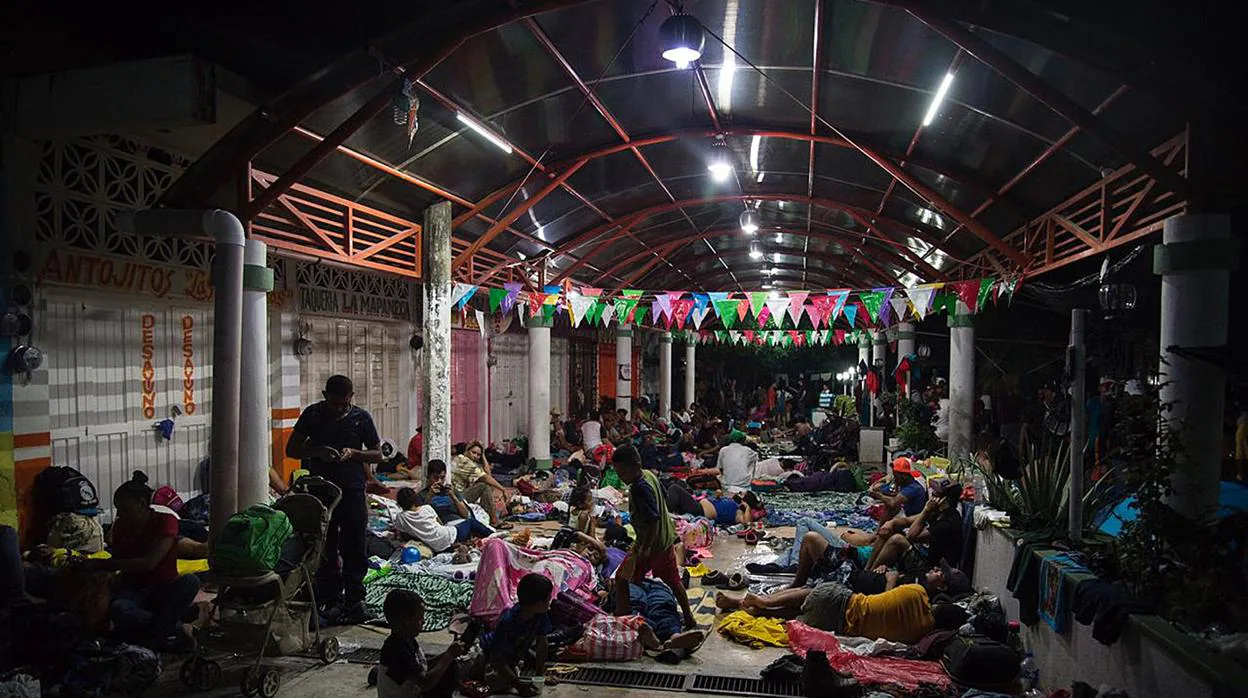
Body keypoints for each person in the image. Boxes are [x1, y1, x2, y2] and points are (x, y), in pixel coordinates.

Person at [286, 375, 383, 624]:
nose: (340, 408)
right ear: (324, 395)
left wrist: (354, 454)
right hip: (322, 491)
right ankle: (329, 598)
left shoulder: (361, 418)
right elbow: (292, 449)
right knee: (324, 545)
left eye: (344, 403)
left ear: (351, 398)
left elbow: (377, 454)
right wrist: (318, 451)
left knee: (354, 543)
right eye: (335, 403)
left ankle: (355, 599)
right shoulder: (313, 415)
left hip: (351, 490)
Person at [85, 473, 200, 652]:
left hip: (163, 587)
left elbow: (149, 563)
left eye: (124, 509)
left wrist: (101, 564)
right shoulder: (122, 526)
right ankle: (174, 628)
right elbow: (120, 561)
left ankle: (154, 636)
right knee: (120, 609)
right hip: (135, 589)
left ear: (141, 504)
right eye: (118, 509)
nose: (119, 514)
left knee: (191, 581)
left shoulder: (165, 521)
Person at [612, 445, 697, 629]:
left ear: (634, 465)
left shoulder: (639, 488)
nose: (620, 476)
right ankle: (689, 617)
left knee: (623, 579)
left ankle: (625, 620)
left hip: (650, 544)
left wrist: (645, 548)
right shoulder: (649, 475)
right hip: (664, 540)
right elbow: (663, 501)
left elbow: (653, 519)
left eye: (622, 471)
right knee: (673, 581)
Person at [715, 580, 945, 644]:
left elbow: (889, 595)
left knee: (809, 593)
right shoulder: (918, 634)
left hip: (842, 601)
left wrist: (890, 578)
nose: (935, 571)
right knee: (791, 615)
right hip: (835, 627)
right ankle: (757, 609)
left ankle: (761, 601)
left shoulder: (917, 592)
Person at [378, 589, 467, 698]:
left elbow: (421, 667)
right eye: (420, 618)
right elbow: (425, 684)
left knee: (450, 666)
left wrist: (448, 654)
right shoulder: (395, 650)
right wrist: (448, 655)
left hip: (413, 692)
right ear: (405, 622)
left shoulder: (407, 639)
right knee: (447, 666)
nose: (424, 621)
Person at [480, 573, 553, 698]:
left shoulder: (540, 615)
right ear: (538, 604)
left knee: (514, 671)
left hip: (511, 655)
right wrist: (519, 686)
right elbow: (496, 658)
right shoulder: (508, 621)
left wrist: (540, 676)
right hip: (486, 653)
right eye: (548, 599)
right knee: (500, 682)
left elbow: (542, 645)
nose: (550, 601)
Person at [395, 486, 493, 552]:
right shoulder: (426, 508)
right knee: (471, 522)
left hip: (437, 548)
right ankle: (492, 534)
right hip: (449, 535)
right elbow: (440, 524)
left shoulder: (401, 517)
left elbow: (402, 534)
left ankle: (461, 543)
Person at [451, 441, 510, 529]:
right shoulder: (463, 460)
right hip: (456, 497)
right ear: (467, 451)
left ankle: (490, 517)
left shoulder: (472, 463)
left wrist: (483, 456)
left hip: (461, 495)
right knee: (484, 486)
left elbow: (488, 474)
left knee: (487, 486)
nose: (475, 456)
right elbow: (485, 478)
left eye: (478, 455)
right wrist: (503, 489)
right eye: (473, 452)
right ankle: (493, 520)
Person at [665, 483, 760, 526]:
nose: (738, 493)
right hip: (697, 507)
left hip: (699, 511)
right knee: (679, 485)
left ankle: (664, 513)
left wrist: (747, 507)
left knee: (675, 488)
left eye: (741, 494)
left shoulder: (739, 511)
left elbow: (747, 522)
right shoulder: (732, 501)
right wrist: (718, 496)